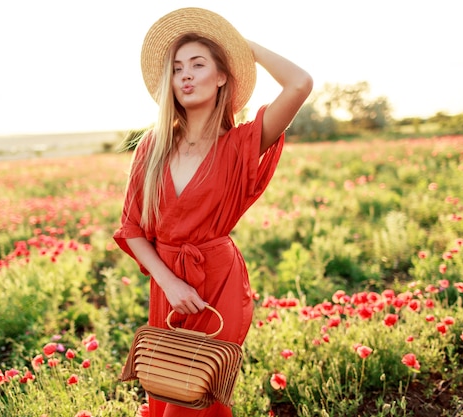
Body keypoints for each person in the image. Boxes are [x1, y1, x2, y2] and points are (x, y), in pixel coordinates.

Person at [114, 7, 312, 417]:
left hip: (217, 286)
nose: (185, 75)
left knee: (194, 399)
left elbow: (299, 83)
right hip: (166, 284)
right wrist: (169, 284)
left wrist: (245, 49)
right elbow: (132, 229)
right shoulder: (152, 147)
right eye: (177, 68)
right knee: (166, 386)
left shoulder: (240, 145)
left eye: (198, 65)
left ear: (221, 75)